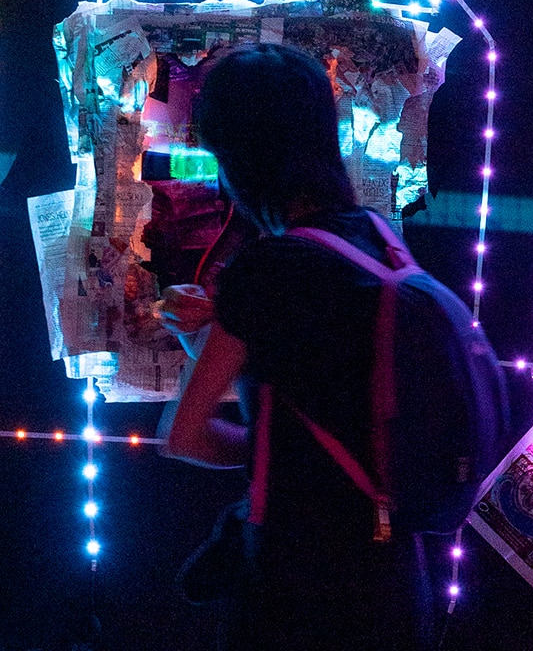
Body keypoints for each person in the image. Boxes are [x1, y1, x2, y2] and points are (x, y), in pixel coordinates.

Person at [158, 44, 438, 649]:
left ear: (241, 155)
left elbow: (185, 435)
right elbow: (316, 390)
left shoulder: (264, 271)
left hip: (297, 586)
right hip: (395, 585)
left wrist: (268, 452)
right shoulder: (380, 243)